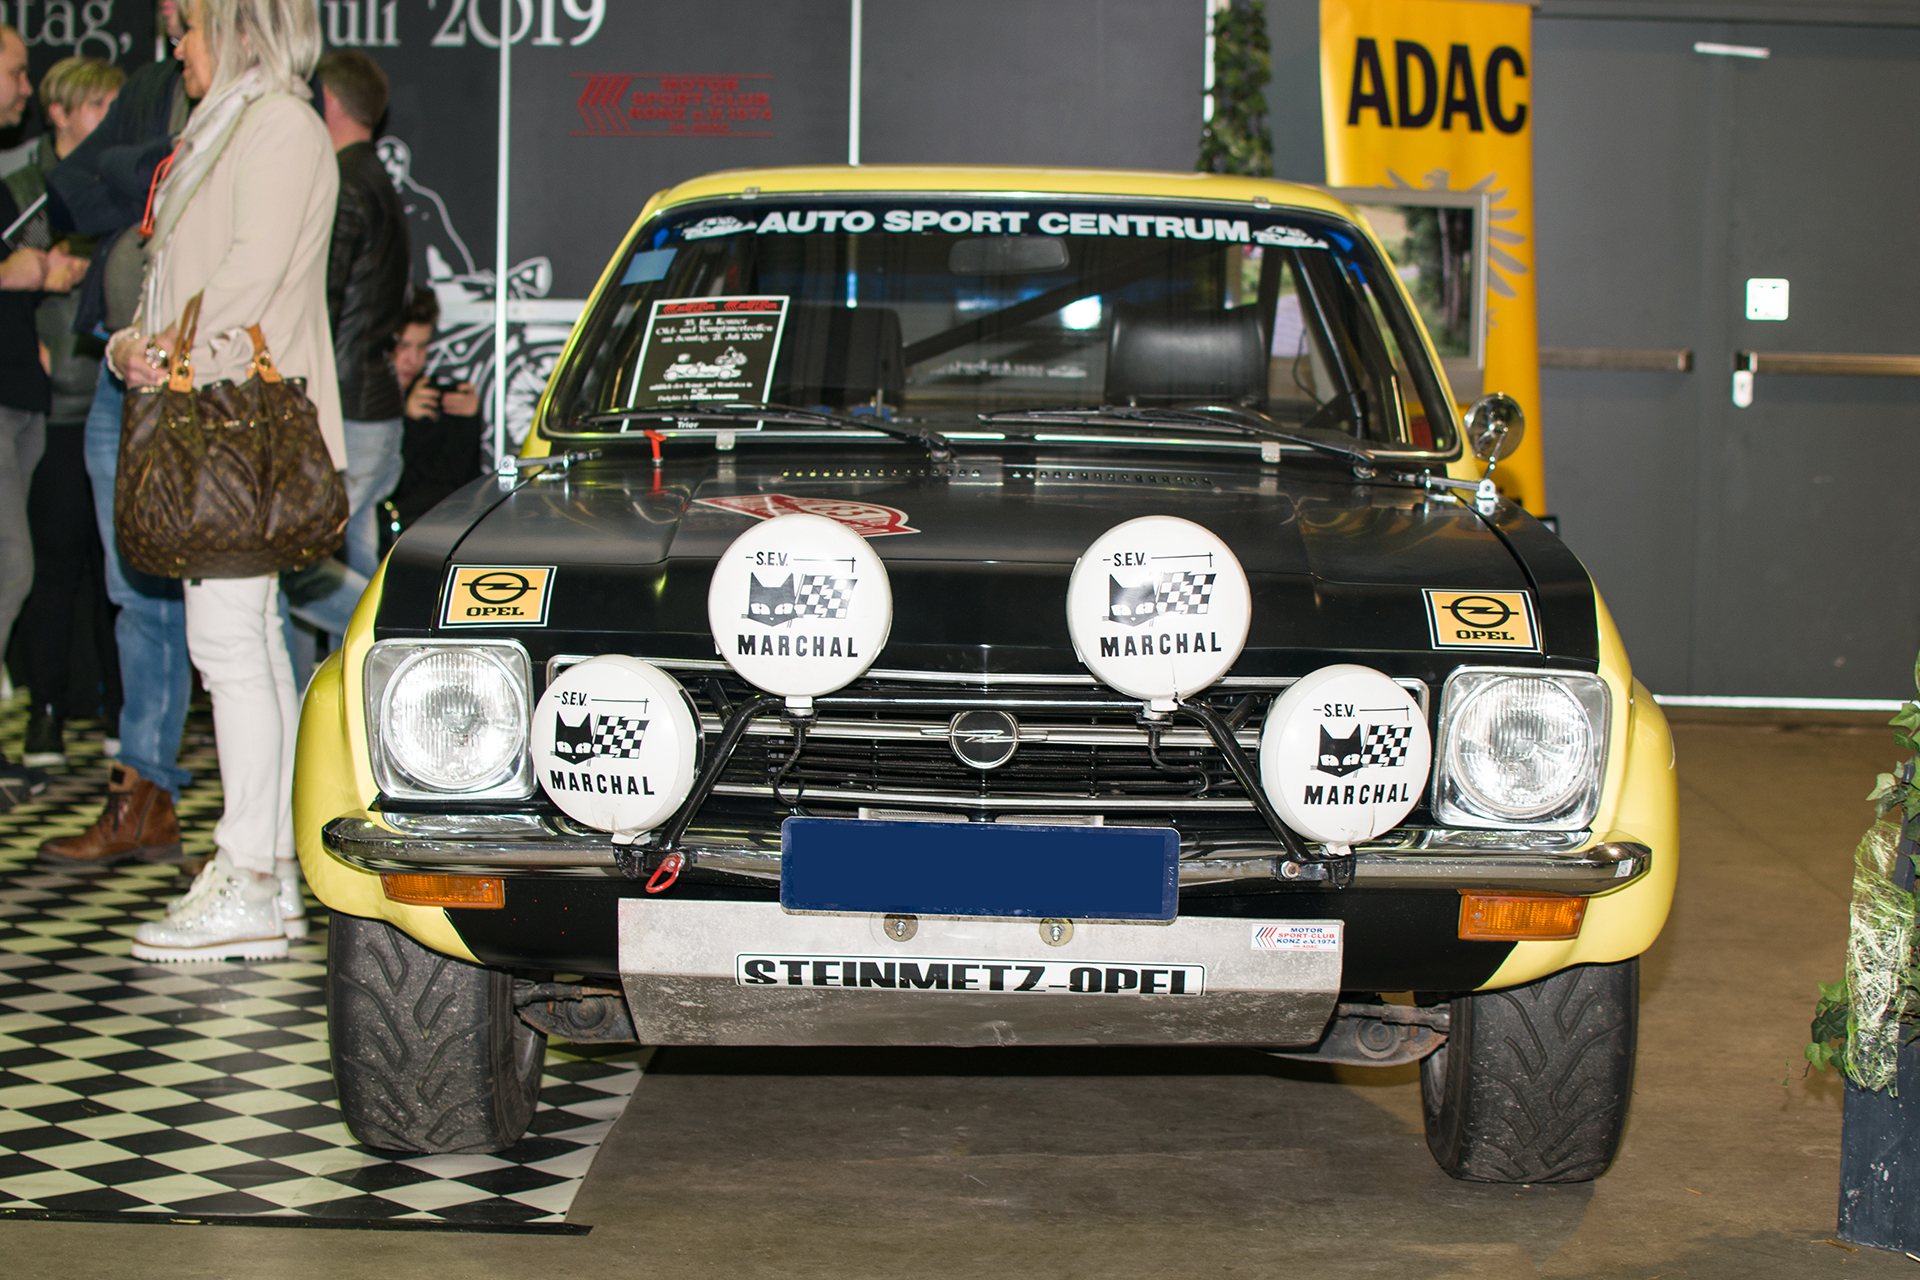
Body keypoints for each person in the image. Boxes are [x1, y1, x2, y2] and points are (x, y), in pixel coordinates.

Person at [109, 0, 341, 961]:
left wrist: (161, 352)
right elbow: (183, 272)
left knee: (229, 647)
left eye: (188, 26)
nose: (175, 46)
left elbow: (248, 276)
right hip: (220, 413)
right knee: (250, 645)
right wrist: (135, 342)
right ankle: (270, 875)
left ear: (241, 24)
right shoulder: (237, 123)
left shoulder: (277, 124)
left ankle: (246, 877)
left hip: (236, 425)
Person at [38, 0, 197, 866]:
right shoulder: (149, 83)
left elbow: (186, 189)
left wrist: (139, 172)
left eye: (186, 14)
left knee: (240, 603)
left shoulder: (248, 91)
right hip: (115, 364)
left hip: (187, 377)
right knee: (134, 591)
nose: (170, 17)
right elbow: (73, 184)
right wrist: (150, 171)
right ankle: (144, 794)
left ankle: (267, 827)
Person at [11, 57, 126, 771]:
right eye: (99, 106)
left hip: (110, 394)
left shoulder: (121, 186)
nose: (112, 120)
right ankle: (44, 714)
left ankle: (119, 712)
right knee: (48, 567)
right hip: (51, 404)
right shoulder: (23, 191)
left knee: (117, 569)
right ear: (60, 111)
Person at [0, 24, 79, 809]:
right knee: (11, 566)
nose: (27, 90)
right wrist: (13, 272)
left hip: (22, 391)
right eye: (17, 73)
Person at [379, 284, 482, 545]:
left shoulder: (433, 396)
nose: (413, 359)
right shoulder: (366, 404)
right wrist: (407, 423)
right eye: (403, 347)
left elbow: (463, 488)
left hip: (442, 538)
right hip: (388, 542)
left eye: (422, 347)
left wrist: (469, 423)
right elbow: (385, 489)